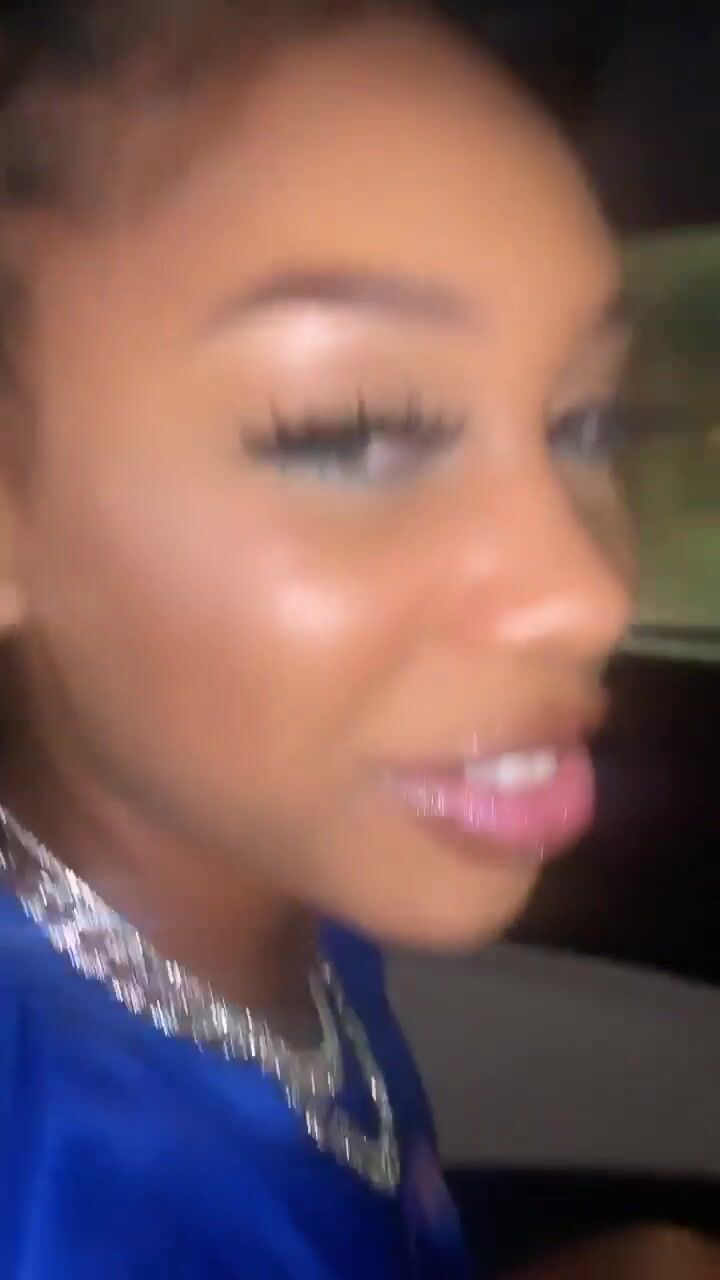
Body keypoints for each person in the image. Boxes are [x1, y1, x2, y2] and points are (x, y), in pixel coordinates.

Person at [0, 1, 638, 1276]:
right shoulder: (49, 1195)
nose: (589, 594)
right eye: (353, 430)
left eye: (584, 422)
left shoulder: (277, 904)